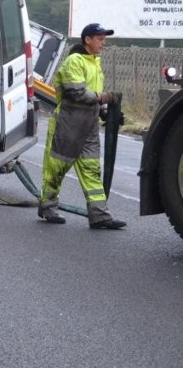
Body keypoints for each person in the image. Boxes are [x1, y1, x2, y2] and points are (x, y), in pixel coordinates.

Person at [38, 23, 126, 229]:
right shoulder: (74, 61)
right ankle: (48, 207)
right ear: (87, 39)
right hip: (68, 125)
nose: (103, 43)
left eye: (104, 39)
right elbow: (75, 92)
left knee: (91, 171)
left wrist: (107, 113)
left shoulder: (95, 64)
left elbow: (92, 99)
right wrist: (103, 97)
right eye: (100, 39)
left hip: (89, 127)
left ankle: (99, 216)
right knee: (56, 169)